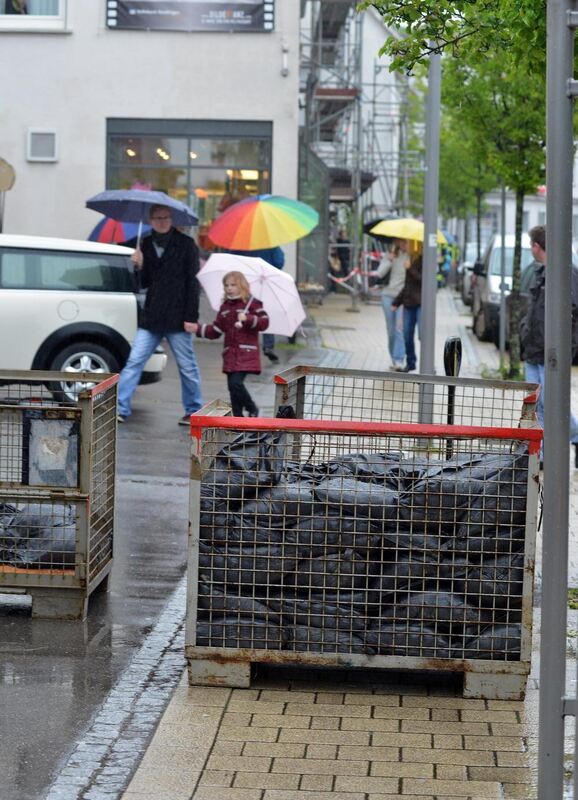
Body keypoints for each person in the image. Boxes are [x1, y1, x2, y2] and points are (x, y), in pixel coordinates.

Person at [117, 204, 203, 425]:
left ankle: (193, 410)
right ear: (150, 220)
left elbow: (193, 284)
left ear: (172, 219)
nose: (162, 221)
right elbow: (143, 283)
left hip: (178, 317)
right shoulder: (143, 244)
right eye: (158, 218)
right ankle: (120, 408)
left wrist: (191, 318)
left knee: (187, 366)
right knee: (134, 362)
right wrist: (138, 265)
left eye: (166, 217)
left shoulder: (186, 245)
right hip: (152, 317)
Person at [520, 224, 578, 463]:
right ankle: (541, 453)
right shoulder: (541, 272)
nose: (530, 249)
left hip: (550, 351)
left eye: (531, 245)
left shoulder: (567, 273)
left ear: (537, 246)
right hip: (534, 349)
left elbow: (572, 311)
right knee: (537, 404)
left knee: (550, 401)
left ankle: (574, 435)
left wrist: (561, 346)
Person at [190, 271, 269, 417]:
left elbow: (264, 322)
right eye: (226, 285)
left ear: (242, 285)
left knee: (235, 384)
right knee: (232, 389)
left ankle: (252, 407)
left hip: (246, 353)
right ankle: (237, 419)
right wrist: (198, 328)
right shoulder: (225, 307)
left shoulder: (252, 303)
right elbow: (216, 330)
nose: (229, 288)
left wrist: (248, 318)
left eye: (233, 285)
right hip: (230, 355)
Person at [228, 245, 284, 362]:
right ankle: (268, 346)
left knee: (245, 313)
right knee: (264, 313)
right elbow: (279, 261)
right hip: (264, 282)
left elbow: (232, 259)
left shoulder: (241, 242)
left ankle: (243, 344)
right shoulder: (270, 243)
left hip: (245, 282)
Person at [371, 238, 408, 370]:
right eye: (402, 241)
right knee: (391, 331)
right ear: (397, 242)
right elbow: (380, 273)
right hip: (387, 296)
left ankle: (399, 359)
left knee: (400, 329)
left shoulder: (412, 258)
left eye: (406, 241)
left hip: (403, 297)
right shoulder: (390, 255)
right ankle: (393, 357)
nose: (404, 244)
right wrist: (389, 261)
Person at [391, 244, 423, 372]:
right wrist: (396, 302)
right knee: (407, 335)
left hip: (421, 303)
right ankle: (411, 362)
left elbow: (424, 281)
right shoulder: (409, 260)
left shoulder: (424, 260)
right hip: (409, 303)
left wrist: (410, 269)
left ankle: (428, 364)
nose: (407, 247)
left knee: (423, 335)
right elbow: (407, 286)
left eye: (410, 244)